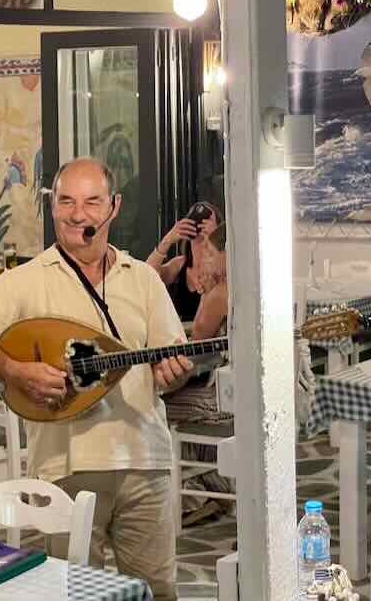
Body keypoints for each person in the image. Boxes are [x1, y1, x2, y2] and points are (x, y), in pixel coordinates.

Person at [0, 158, 193, 601]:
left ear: (114, 207)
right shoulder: (25, 281)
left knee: (158, 594)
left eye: (92, 201)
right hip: (65, 470)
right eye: (67, 201)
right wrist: (15, 371)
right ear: (52, 207)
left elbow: (168, 374)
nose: (79, 214)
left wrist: (171, 375)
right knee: (73, 594)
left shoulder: (145, 279)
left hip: (144, 463)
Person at [163, 223, 232, 525]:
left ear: (227, 255)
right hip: (240, 394)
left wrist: (206, 294)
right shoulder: (248, 288)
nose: (208, 260)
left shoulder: (220, 294)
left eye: (212, 253)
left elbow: (196, 349)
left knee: (154, 406)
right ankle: (210, 488)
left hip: (220, 402)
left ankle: (190, 494)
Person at [146, 202, 222, 322]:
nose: (200, 225)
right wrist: (167, 240)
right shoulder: (179, 264)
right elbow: (146, 275)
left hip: (207, 335)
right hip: (179, 336)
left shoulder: (221, 267)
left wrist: (215, 236)